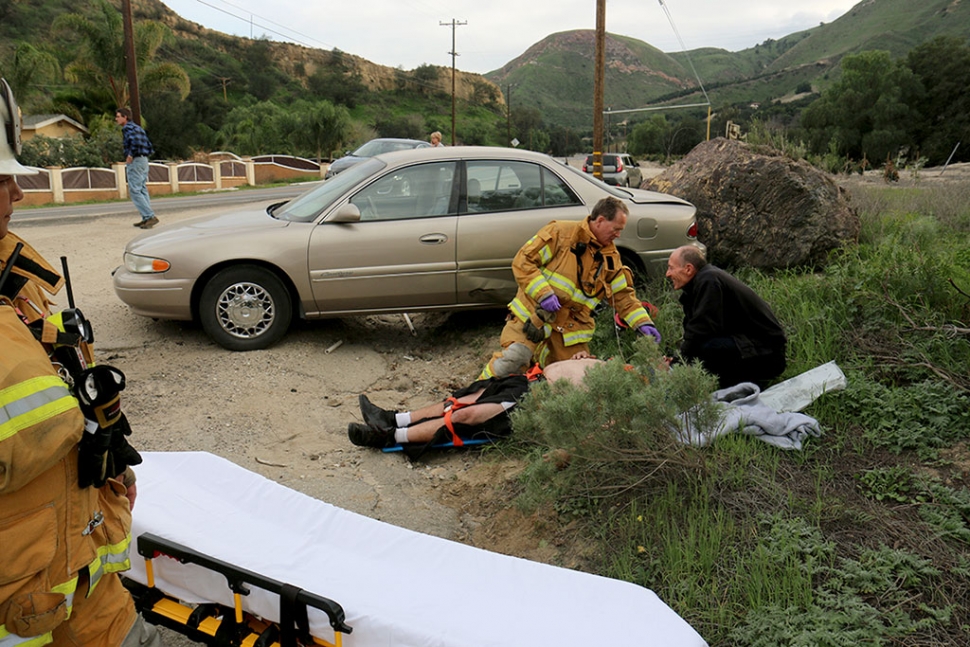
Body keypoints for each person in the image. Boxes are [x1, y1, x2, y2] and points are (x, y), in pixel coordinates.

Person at [1, 79, 163, 647]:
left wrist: (112, 454)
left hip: (80, 571)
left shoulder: (16, 276)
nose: (16, 196)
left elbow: (69, 385)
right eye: (2, 181)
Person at [479, 196, 660, 379]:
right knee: (514, 360)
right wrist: (544, 294)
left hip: (569, 333)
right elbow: (523, 262)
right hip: (534, 318)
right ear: (600, 220)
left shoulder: (610, 259)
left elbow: (623, 296)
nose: (618, 235)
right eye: (616, 229)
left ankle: (527, 404)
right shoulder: (560, 233)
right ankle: (472, 396)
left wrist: (642, 322)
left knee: (573, 380)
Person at [349, 354, 604, 451]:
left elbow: (599, 425)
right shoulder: (611, 366)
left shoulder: (620, 394)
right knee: (458, 400)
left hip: (533, 401)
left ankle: (388, 436)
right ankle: (393, 418)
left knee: (464, 416)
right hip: (526, 381)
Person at [665, 245, 787, 389]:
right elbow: (693, 332)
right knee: (703, 348)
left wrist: (677, 364)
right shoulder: (698, 284)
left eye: (671, 268)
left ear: (688, 269)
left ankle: (743, 386)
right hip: (751, 348)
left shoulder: (709, 280)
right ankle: (729, 384)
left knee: (710, 348)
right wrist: (677, 359)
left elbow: (700, 330)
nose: (668, 274)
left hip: (768, 356)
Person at [115, 107, 158, 229]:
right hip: (143, 160)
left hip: (136, 160)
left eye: (118, 116)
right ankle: (146, 217)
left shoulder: (128, 128)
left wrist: (130, 155)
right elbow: (148, 144)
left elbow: (136, 142)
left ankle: (149, 216)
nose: (116, 119)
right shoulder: (138, 128)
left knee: (135, 189)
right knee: (142, 188)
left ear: (125, 117)